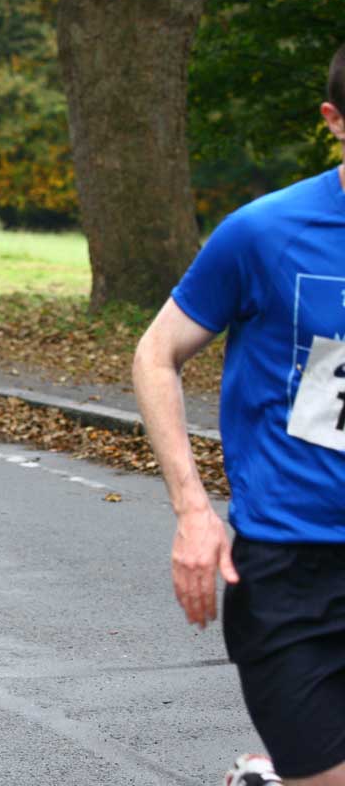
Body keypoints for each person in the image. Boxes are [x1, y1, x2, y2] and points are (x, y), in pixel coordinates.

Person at [133, 46, 345, 786]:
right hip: (292, 566)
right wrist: (194, 511)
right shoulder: (264, 234)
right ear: (335, 122)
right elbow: (156, 354)